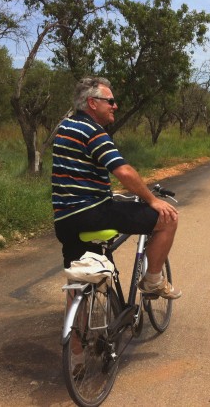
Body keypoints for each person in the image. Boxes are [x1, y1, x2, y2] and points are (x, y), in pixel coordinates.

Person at [52, 76, 181, 299]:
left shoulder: (65, 127)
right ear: (93, 103)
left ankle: (74, 333)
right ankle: (153, 282)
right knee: (168, 218)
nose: (115, 106)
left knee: (79, 274)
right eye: (110, 101)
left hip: (64, 218)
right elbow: (123, 171)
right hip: (92, 212)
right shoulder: (93, 131)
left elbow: (78, 175)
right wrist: (152, 199)